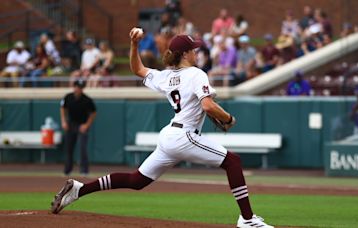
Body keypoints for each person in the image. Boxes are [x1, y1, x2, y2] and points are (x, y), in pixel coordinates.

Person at [50, 29, 274, 228]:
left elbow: (137, 69)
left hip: (170, 136)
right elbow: (207, 105)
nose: (196, 52)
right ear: (185, 54)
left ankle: (79, 189)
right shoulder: (196, 73)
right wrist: (228, 117)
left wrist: (134, 45)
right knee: (233, 161)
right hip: (184, 136)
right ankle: (247, 219)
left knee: (137, 181)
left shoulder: (166, 76)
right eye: (193, 49)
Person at [60, 79, 97, 176]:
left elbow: (93, 113)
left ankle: (84, 170)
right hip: (71, 124)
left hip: (82, 125)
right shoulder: (68, 97)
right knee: (69, 148)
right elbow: (63, 108)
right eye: (77, 87)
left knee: (82, 148)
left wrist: (87, 125)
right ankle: (67, 170)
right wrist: (63, 121)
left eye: (80, 87)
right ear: (74, 87)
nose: (78, 89)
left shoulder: (87, 100)